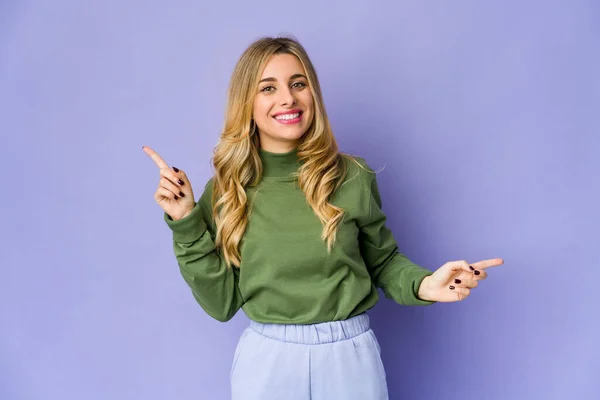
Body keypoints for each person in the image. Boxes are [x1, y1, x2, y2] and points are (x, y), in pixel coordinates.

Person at [143, 36, 503, 400]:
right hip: (268, 360)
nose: (288, 98)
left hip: (350, 356)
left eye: (298, 84)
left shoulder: (353, 176)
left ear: (312, 93)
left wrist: (425, 285)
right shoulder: (226, 191)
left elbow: (383, 262)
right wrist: (186, 220)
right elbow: (220, 304)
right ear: (246, 103)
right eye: (268, 88)